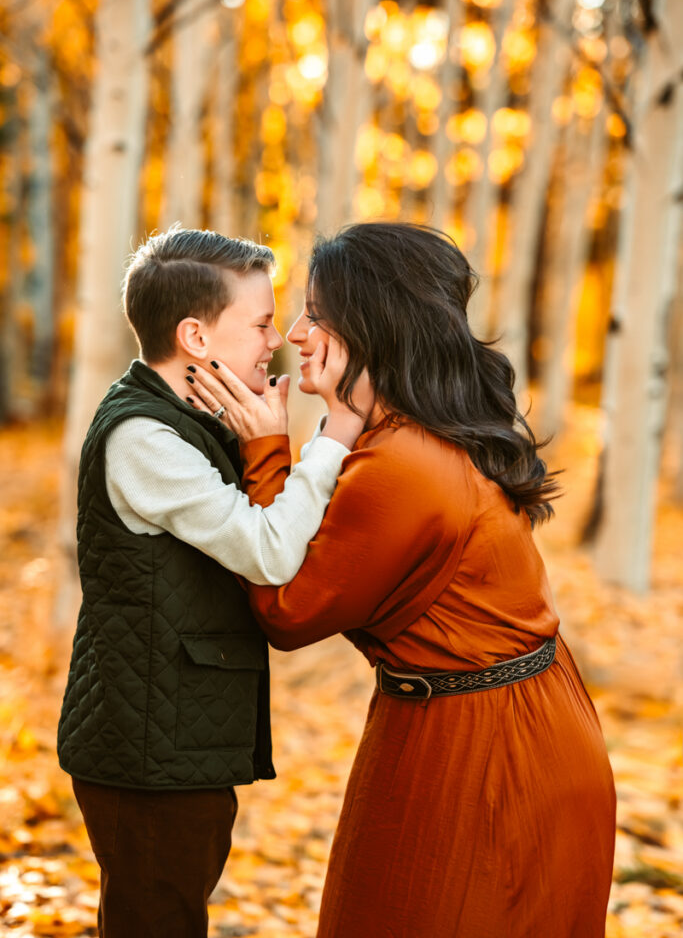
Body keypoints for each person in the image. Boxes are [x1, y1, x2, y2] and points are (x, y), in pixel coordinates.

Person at [188, 222, 617, 938]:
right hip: (472, 721)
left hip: (489, 750)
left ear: (374, 323)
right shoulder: (409, 434)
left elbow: (289, 612)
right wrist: (334, 432)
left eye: (317, 314)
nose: (295, 332)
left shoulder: (403, 464)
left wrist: (265, 451)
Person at [57, 227, 367, 938]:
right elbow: (267, 551)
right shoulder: (146, 440)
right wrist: (331, 439)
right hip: (145, 754)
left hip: (169, 744)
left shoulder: (189, 421)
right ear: (196, 337)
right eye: (260, 323)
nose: (276, 341)